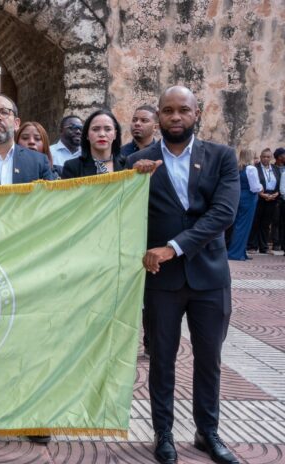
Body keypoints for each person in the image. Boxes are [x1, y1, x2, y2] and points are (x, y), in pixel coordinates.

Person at [127, 86, 240, 464]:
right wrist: (133, 182)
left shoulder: (222, 157)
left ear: (198, 113)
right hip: (161, 281)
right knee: (162, 358)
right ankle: (163, 433)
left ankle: (207, 432)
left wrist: (172, 247)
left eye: (184, 110)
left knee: (209, 359)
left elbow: (222, 214)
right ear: (158, 116)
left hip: (210, 277)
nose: (176, 117)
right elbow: (126, 217)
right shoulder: (139, 161)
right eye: (168, 111)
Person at [62, 109, 126, 178]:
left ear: (115, 134)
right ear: (87, 135)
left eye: (108, 129)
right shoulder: (72, 167)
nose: (102, 134)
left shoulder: (127, 164)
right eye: (95, 129)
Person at [227, 149, 262, 260]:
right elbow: (255, 187)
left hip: (239, 196)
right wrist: (261, 187)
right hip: (249, 198)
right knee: (244, 226)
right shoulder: (251, 169)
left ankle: (239, 252)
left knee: (238, 224)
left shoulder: (238, 168)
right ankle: (236, 253)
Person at [248, 148, 279, 254]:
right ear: (260, 157)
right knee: (255, 222)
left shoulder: (275, 168)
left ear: (271, 158)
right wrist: (262, 194)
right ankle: (252, 245)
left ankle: (264, 246)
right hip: (259, 197)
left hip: (272, 198)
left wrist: (277, 193)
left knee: (266, 224)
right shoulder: (255, 168)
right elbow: (252, 183)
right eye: (264, 156)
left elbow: (279, 183)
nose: (266, 158)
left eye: (268, 157)